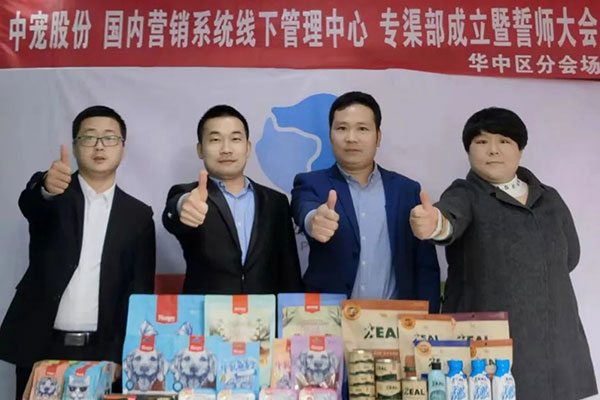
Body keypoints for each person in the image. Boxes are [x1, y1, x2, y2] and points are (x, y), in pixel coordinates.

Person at [410, 107, 597, 399]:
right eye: (482, 142)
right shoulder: (464, 193)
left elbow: (570, 257)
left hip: (556, 343)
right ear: (469, 150)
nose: (493, 150)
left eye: (504, 141)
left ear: (520, 150)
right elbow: (448, 221)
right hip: (487, 343)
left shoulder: (549, 198)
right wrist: (433, 224)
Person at [0, 105, 156, 400]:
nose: (99, 145)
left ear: (123, 147)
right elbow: (31, 203)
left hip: (104, 351)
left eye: (109, 137)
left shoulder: (138, 216)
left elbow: (139, 290)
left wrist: (122, 353)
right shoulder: (53, 194)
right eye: (89, 137)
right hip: (40, 346)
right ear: (74, 146)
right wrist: (46, 187)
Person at [291, 91, 440, 311]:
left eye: (362, 128)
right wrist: (314, 221)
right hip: (331, 320)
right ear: (330, 135)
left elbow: (425, 267)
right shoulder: (311, 183)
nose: (351, 138)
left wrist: (430, 319)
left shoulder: (407, 190)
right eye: (342, 128)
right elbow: (305, 208)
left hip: (395, 320)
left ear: (378, 137)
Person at [162, 105, 303, 294]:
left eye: (235, 139)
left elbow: (289, 271)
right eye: (215, 140)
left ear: (248, 148)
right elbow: (174, 214)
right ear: (200, 149)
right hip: (206, 310)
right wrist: (183, 205)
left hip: (264, 310)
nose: (226, 149)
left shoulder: (276, 202)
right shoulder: (189, 195)